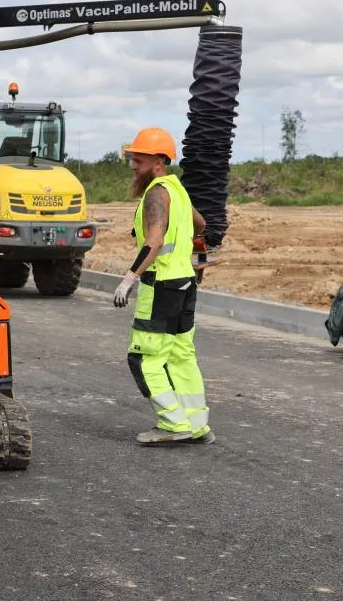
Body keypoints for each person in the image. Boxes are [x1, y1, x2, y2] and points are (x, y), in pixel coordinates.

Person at [111, 127, 214, 446]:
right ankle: (196, 424)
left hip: (161, 287)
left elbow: (155, 240)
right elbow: (200, 224)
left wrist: (129, 278)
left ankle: (172, 423)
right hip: (184, 283)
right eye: (132, 159)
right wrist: (195, 253)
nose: (133, 166)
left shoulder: (157, 192)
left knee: (144, 358)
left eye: (138, 161)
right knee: (181, 355)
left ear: (158, 161)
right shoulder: (176, 188)